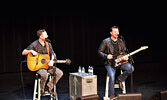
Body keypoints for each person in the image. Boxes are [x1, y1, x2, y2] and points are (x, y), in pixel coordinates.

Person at [22, 29, 63, 96]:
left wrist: (52, 60)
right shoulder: (34, 44)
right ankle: (41, 90)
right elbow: (23, 52)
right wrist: (31, 51)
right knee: (44, 75)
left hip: (47, 65)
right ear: (41, 36)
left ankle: (49, 87)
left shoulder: (48, 44)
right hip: (39, 67)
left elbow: (53, 54)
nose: (47, 36)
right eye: (45, 35)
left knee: (59, 73)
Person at [98, 26, 134, 99]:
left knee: (130, 68)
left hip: (120, 62)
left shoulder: (121, 41)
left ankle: (120, 79)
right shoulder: (106, 41)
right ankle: (111, 96)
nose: (116, 33)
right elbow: (99, 52)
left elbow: (124, 52)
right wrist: (106, 56)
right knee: (111, 75)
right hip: (109, 63)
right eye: (115, 31)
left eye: (117, 31)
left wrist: (125, 56)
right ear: (111, 33)